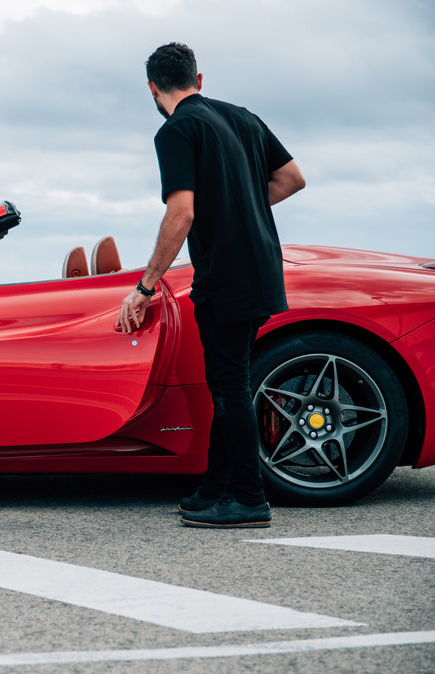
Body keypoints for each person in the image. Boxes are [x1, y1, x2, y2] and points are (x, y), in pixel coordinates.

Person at [117, 42, 306, 528]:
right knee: (232, 382)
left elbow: (181, 212)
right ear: (199, 80)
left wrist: (144, 286)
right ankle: (214, 489)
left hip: (226, 276)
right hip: (263, 267)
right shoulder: (241, 118)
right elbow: (291, 179)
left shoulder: (177, 130)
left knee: (229, 389)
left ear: (153, 88)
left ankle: (249, 498)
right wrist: (241, 205)